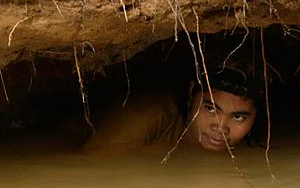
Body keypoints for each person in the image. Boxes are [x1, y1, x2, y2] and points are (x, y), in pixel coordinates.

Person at [84, 66, 260, 155]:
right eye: (210, 108)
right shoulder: (145, 116)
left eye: (238, 117)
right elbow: (89, 165)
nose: (221, 127)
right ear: (192, 93)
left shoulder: (257, 142)